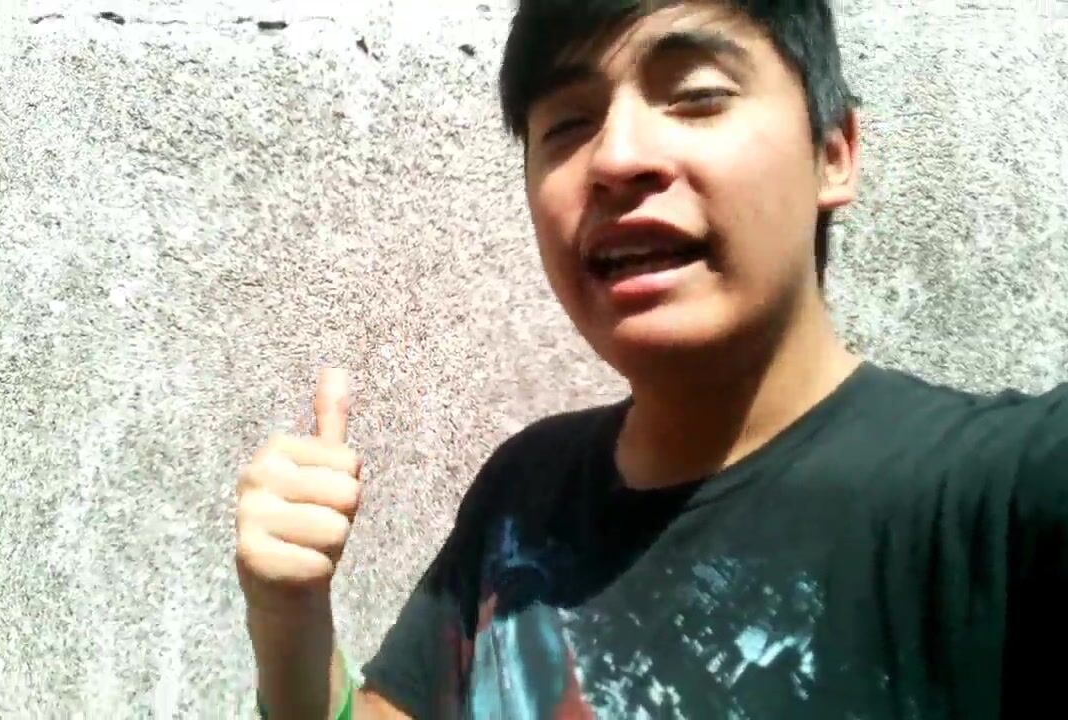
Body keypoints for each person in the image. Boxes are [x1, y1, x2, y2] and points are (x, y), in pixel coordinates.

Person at [234, 0, 1068, 717]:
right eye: (568, 124)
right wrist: (289, 622)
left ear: (834, 153)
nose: (616, 159)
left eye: (697, 97)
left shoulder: (994, 497)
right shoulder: (524, 490)